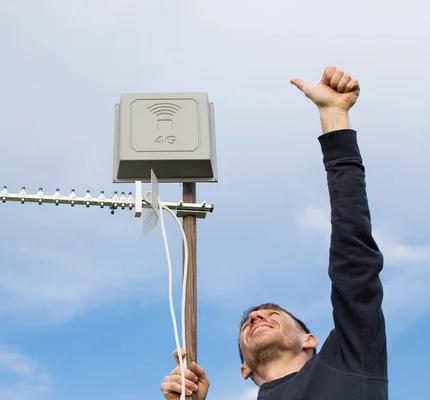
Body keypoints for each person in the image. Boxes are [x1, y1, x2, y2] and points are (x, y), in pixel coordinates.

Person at [160, 65, 388, 400]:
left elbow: (353, 254)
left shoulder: (350, 360)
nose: (255, 317)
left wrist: (334, 116)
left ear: (310, 340)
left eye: (271, 314)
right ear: (244, 371)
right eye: (249, 322)